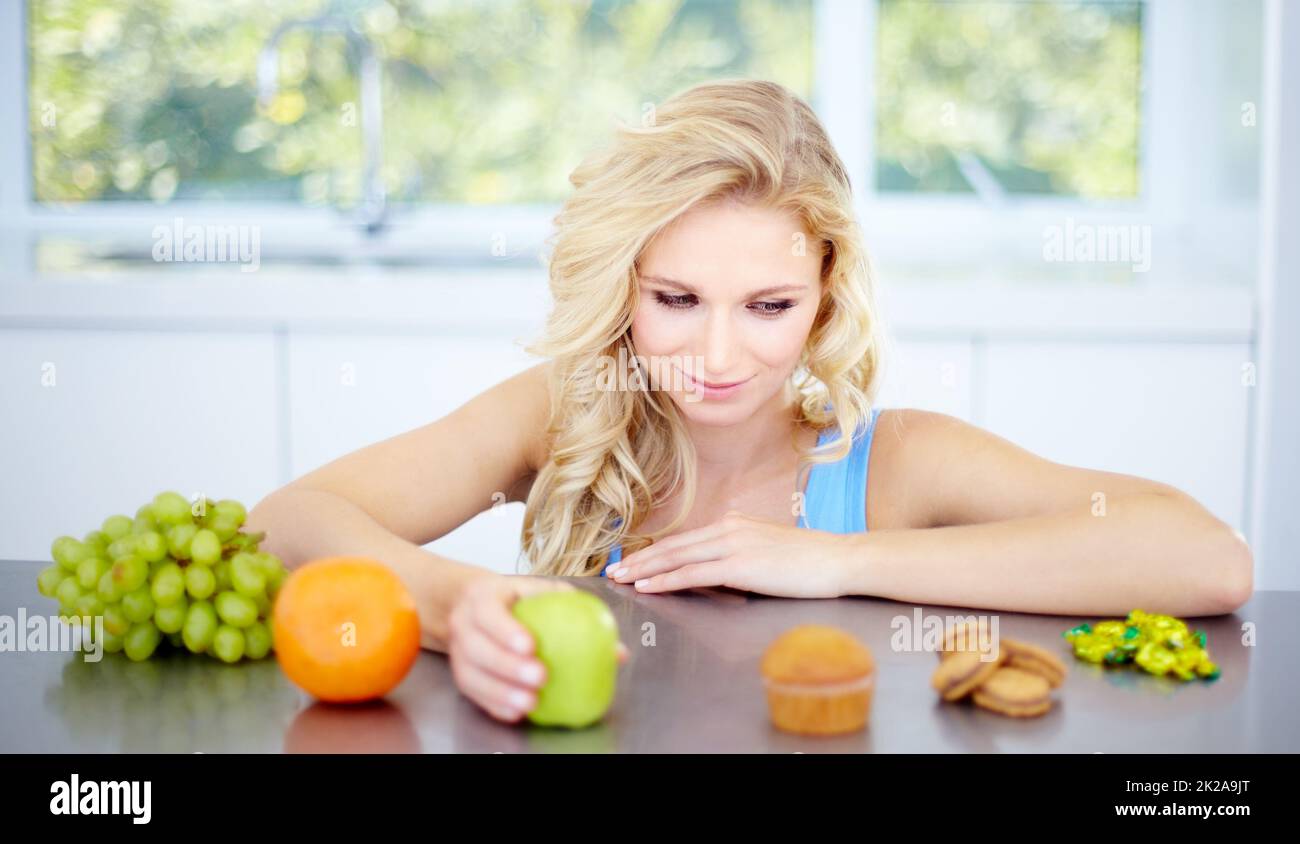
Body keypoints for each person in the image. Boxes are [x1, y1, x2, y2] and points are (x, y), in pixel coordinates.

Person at [247, 79, 1253, 725]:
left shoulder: (892, 462)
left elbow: (1204, 557)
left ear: (824, 294)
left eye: (768, 306)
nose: (718, 356)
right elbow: (283, 523)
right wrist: (458, 601)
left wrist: (840, 561)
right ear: (622, 286)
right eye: (675, 299)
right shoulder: (565, 415)